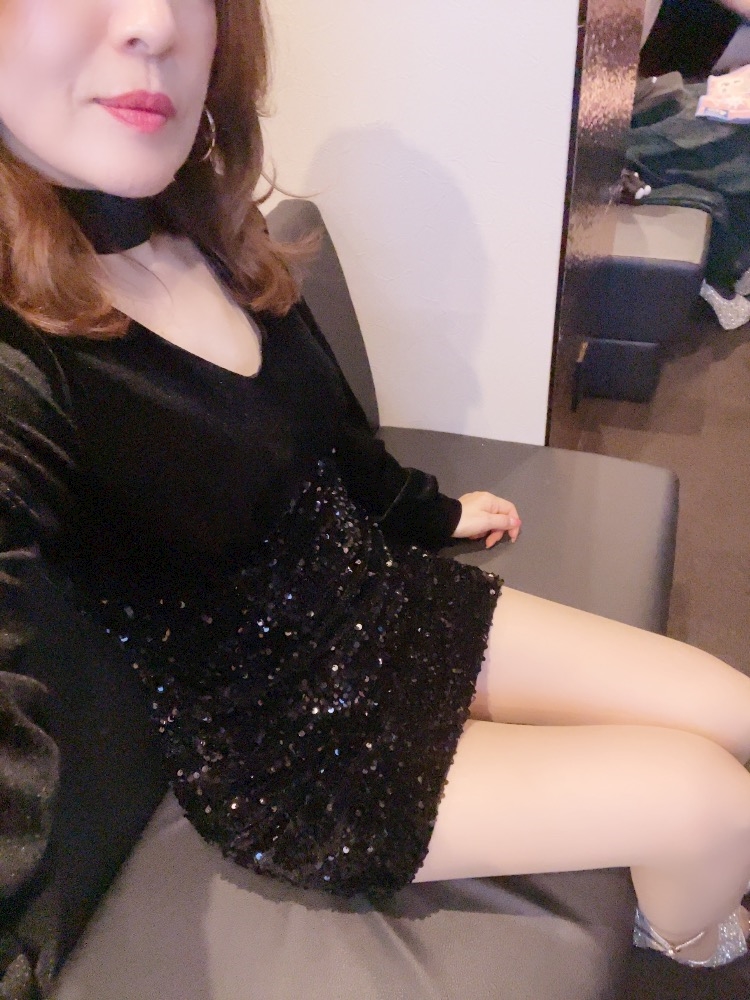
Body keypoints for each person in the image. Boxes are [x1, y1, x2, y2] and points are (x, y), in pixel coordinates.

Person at [0, 0, 749, 992]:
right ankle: (690, 951)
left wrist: (433, 513)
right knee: (714, 804)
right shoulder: (20, 367)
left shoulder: (207, 233)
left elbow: (336, 434)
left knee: (733, 710)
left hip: (384, 601)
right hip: (295, 751)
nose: (152, 22)